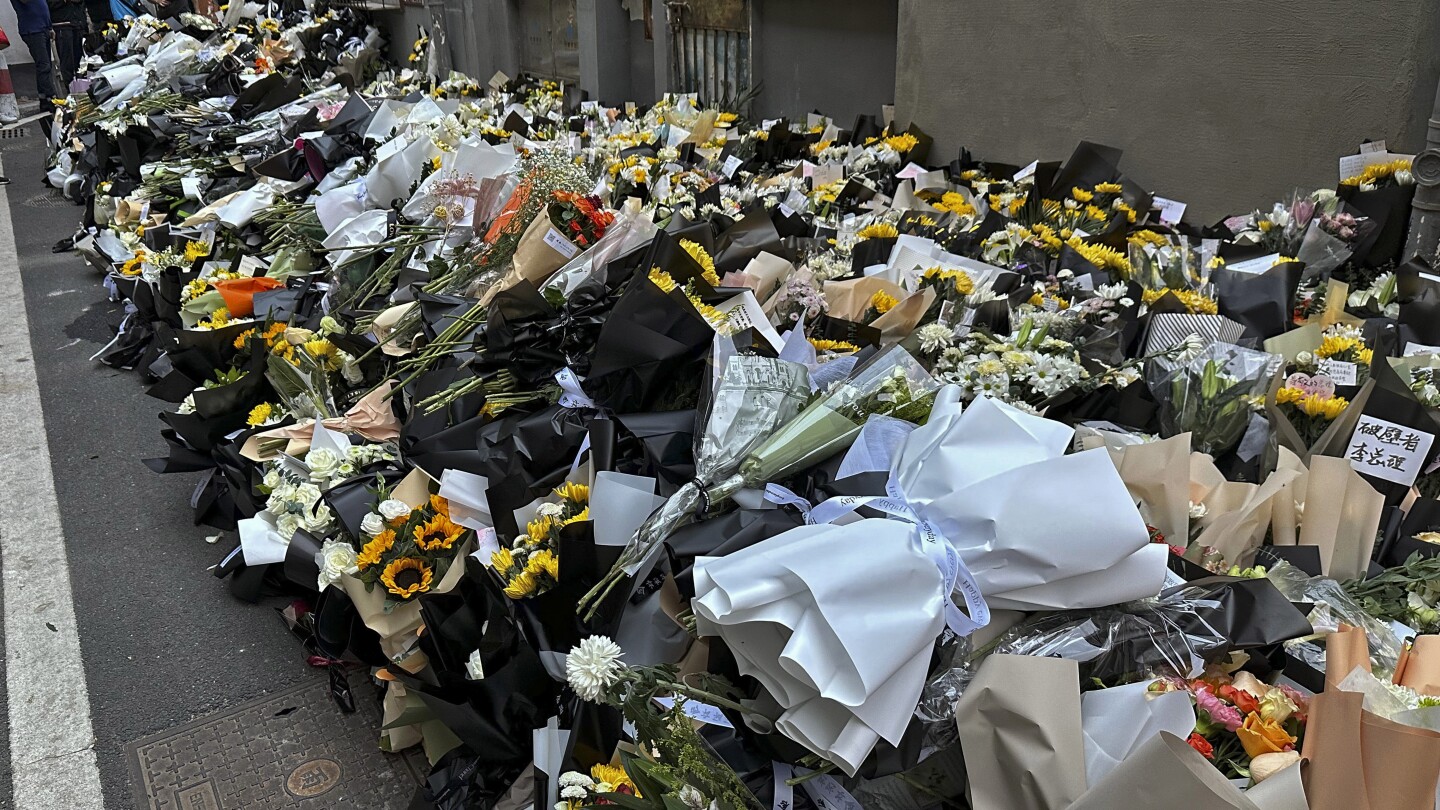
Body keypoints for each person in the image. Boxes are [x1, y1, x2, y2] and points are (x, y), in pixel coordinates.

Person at [7, 0, 54, 113]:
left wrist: (49, 26)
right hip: (32, 30)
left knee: (46, 65)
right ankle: (48, 99)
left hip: (43, 27)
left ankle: (45, 98)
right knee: (43, 65)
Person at [48, 0, 85, 89]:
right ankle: (71, 91)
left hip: (77, 23)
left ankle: (83, 89)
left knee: (81, 61)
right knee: (67, 63)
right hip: (62, 25)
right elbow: (49, 4)